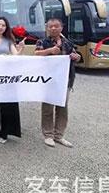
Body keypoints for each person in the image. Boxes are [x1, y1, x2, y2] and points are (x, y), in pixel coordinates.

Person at [35, 18, 81, 148]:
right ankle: (48, 135)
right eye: (50, 26)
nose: (53, 28)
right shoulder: (42, 41)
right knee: (47, 108)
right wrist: (49, 51)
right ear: (47, 28)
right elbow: (36, 54)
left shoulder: (68, 42)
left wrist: (76, 57)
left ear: (61, 27)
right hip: (48, 80)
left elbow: (76, 56)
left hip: (65, 80)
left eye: (56, 26)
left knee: (62, 108)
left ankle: (59, 135)